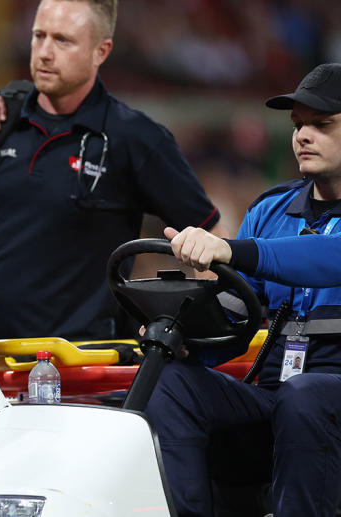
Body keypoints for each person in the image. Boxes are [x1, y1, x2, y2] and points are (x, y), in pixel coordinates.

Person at [0, 0, 227, 342]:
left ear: (101, 51)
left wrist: (199, 332)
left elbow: (211, 235)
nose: (44, 52)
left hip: (79, 369)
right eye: (38, 36)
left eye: (63, 40)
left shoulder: (134, 137)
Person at [147, 63, 341, 517]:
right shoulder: (271, 209)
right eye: (297, 126)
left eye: (322, 124)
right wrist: (177, 327)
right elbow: (237, 310)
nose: (302, 136)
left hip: (320, 398)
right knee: (171, 382)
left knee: (306, 395)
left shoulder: (257, 236)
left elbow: (326, 257)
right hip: (281, 396)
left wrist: (232, 249)